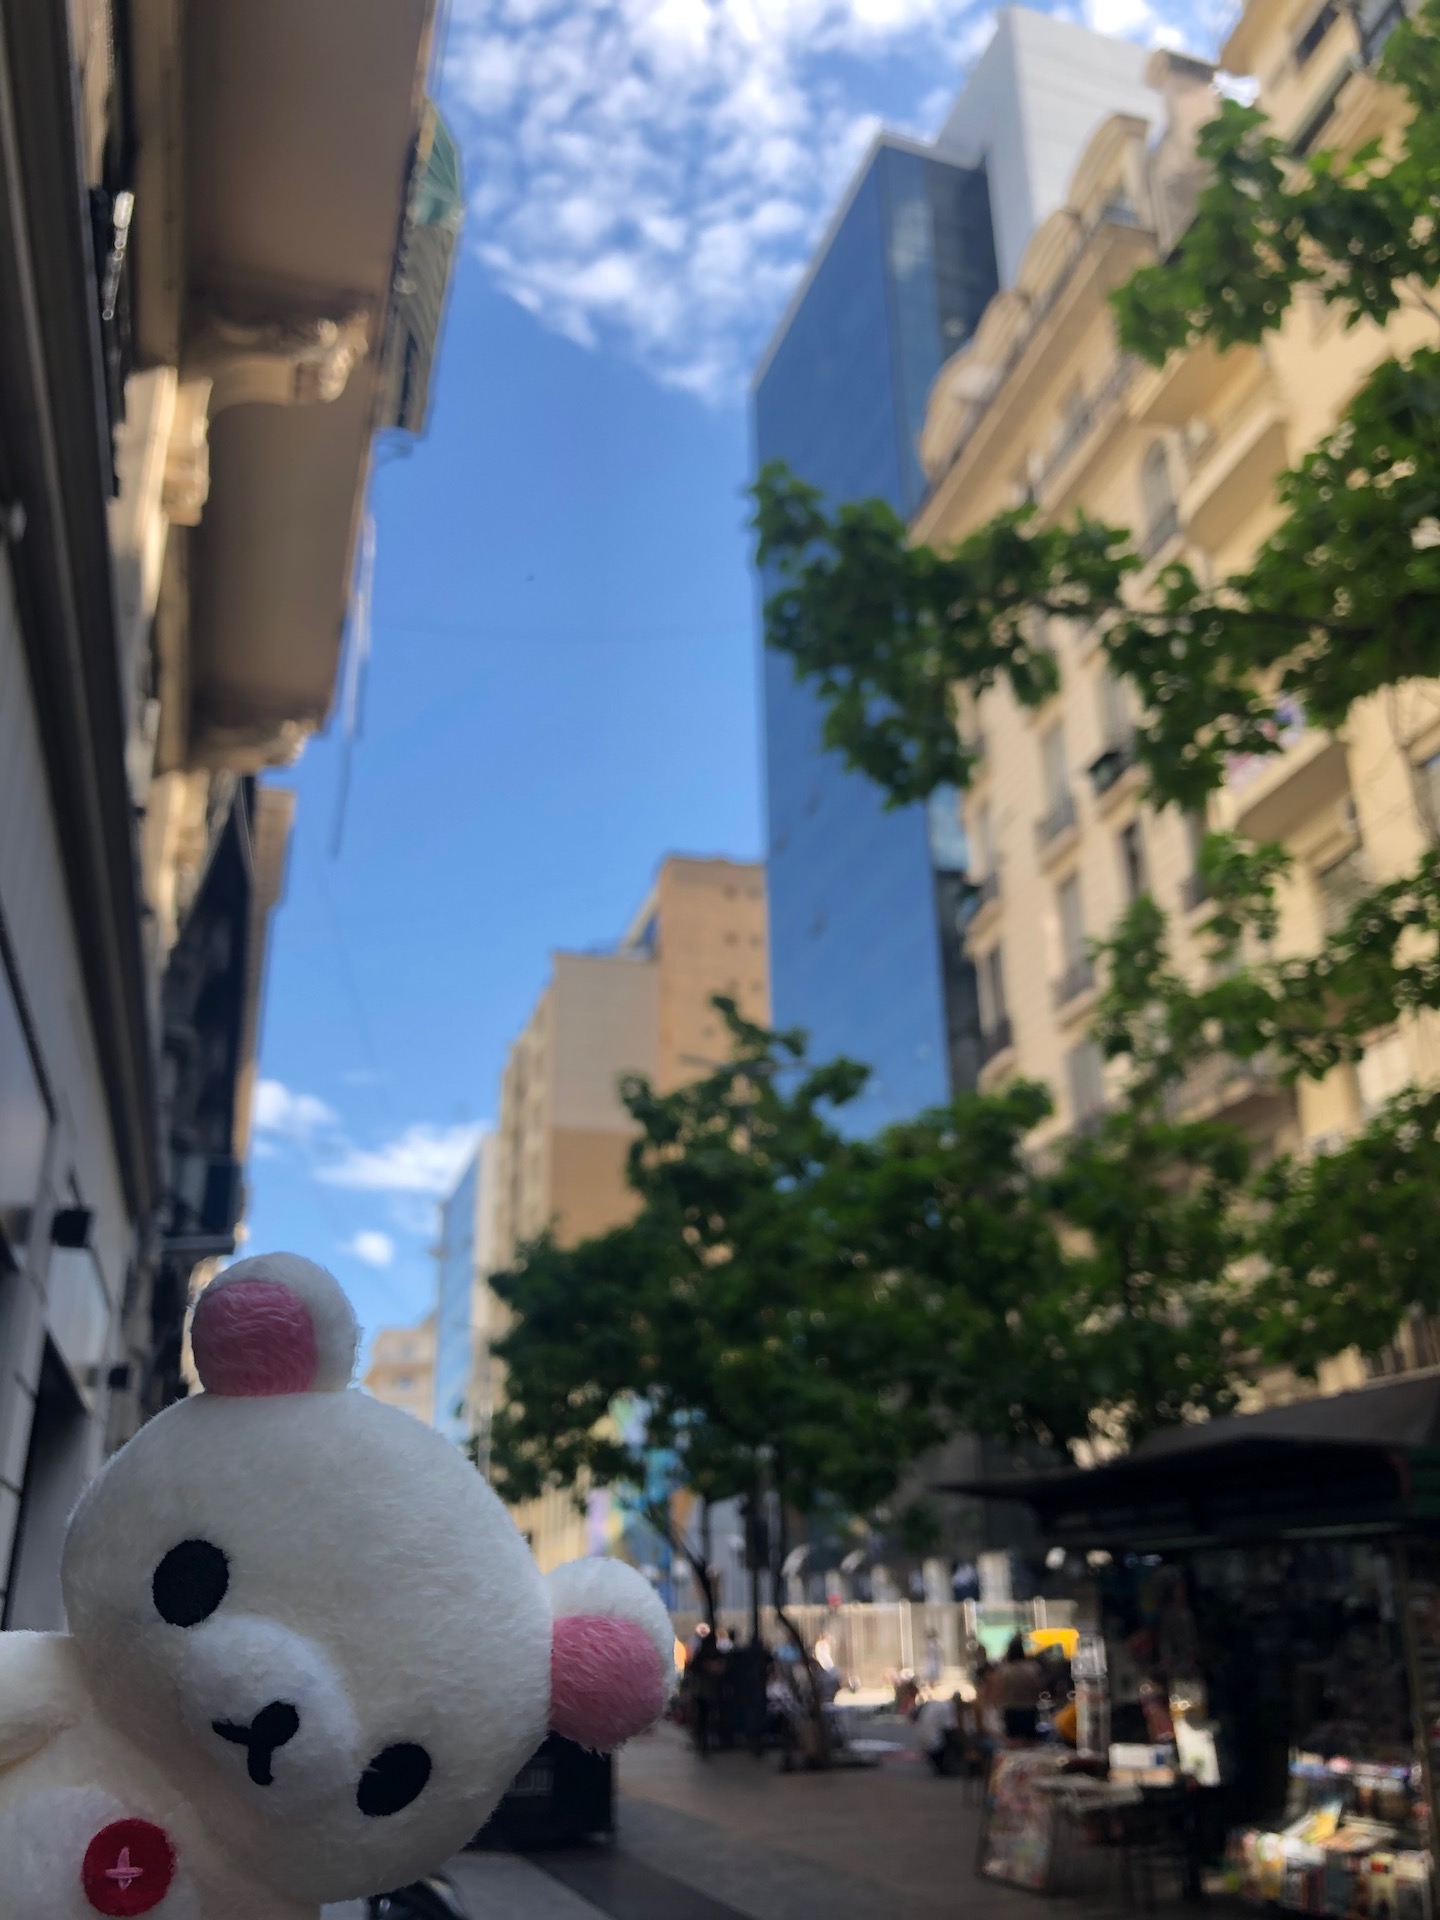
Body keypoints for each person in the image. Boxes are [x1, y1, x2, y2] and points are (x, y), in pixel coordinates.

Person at [999, 1633, 1045, 1743]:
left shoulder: (1006, 1671)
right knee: (1031, 1741)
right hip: (1029, 1708)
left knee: (1014, 1742)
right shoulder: (1033, 1668)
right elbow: (1039, 1688)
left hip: (1011, 1709)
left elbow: (1001, 1690)